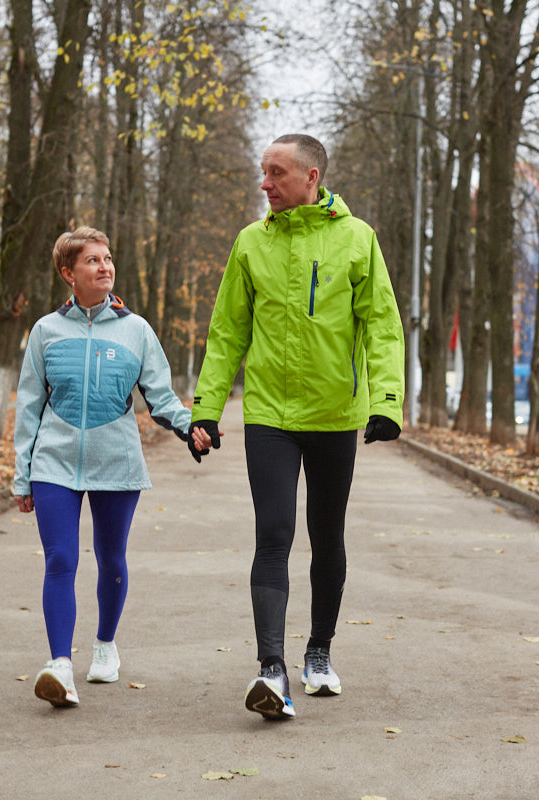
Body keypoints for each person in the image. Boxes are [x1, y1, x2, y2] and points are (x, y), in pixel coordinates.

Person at [189, 134, 405, 720]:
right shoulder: (250, 244)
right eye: (263, 172)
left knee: (326, 533)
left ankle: (318, 652)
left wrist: (387, 401)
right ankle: (271, 670)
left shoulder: (357, 240)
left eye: (276, 173)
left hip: (336, 416)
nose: (265, 183)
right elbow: (228, 329)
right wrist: (205, 409)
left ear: (312, 177)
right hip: (269, 417)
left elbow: (382, 326)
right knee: (274, 533)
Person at [13, 227, 211, 708]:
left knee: (111, 558)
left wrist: (191, 427)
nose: (105, 267)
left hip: (116, 461)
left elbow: (160, 396)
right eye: (93, 261)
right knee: (61, 559)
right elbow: (29, 405)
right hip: (54, 463)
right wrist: (23, 473)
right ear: (68, 273)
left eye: (108, 259)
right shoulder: (45, 331)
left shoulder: (136, 330)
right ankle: (60, 665)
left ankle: (104, 645)